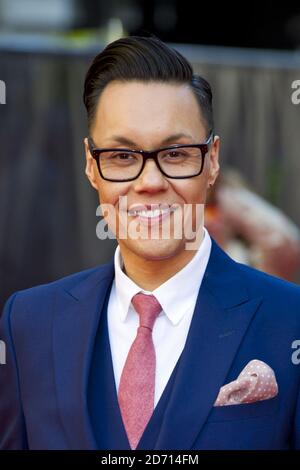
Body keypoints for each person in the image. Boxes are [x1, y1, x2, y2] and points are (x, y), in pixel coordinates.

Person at [0, 35, 300, 451]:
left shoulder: (290, 321)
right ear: (92, 166)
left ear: (211, 162)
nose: (150, 182)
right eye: (122, 157)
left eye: (175, 153)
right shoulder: (27, 324)